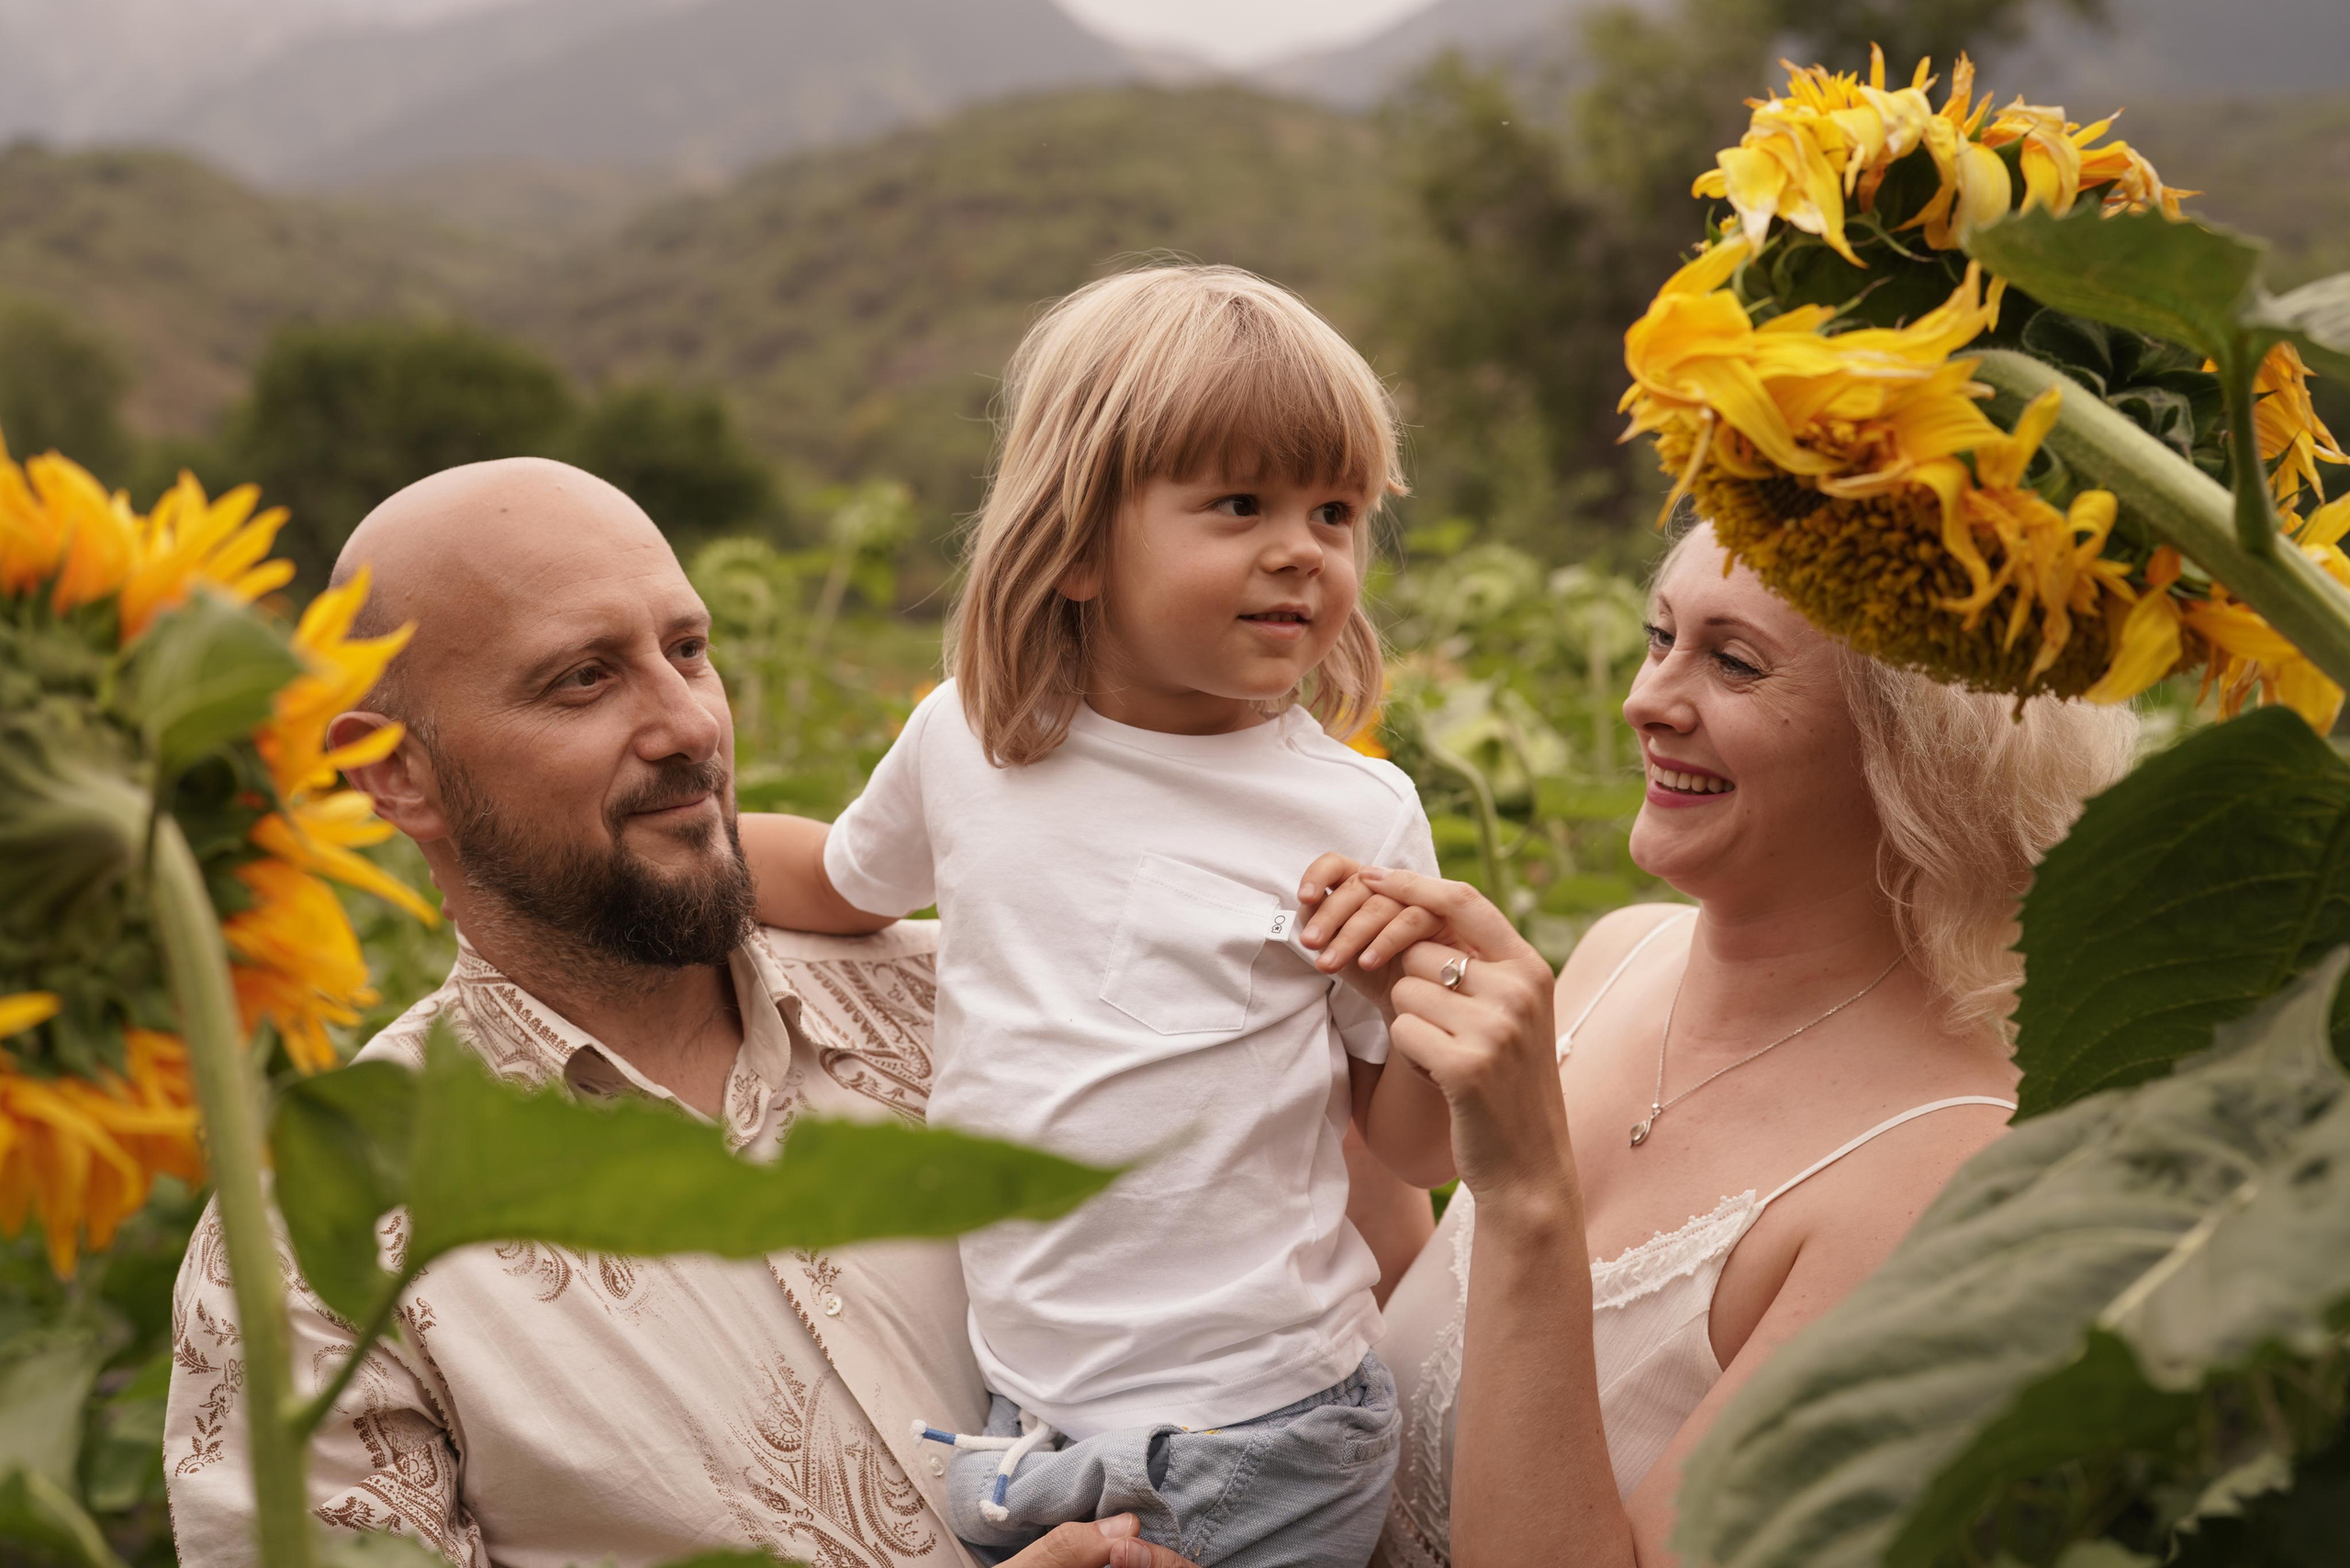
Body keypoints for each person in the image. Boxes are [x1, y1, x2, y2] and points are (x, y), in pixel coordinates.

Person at [162, 457, 1195, 1568]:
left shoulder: (982, 1002)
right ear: (392, 771)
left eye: (687, 651)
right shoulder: (319, 1248)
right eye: (583, 679)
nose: (687, 724)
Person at [735, 264, 1456, 1568]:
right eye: (1240, 504)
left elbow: (1409, 1143)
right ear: (1073, 543)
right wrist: (678, 859)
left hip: (1269, 1433)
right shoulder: (968, 741)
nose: (1304, 548)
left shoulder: (1354, 813)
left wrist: (1423, 991)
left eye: (1337, 512)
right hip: (1031, 1424)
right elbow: (844, 880)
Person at [1309, 524, 2139, 1568]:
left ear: (1920, 741)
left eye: (1732, 661)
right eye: (1660, 637)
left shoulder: (1955, 1182)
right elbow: (1416, 1393)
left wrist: (1526, 1190)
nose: (1645, 699)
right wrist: (1341, 1061)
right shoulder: (1615, 957)